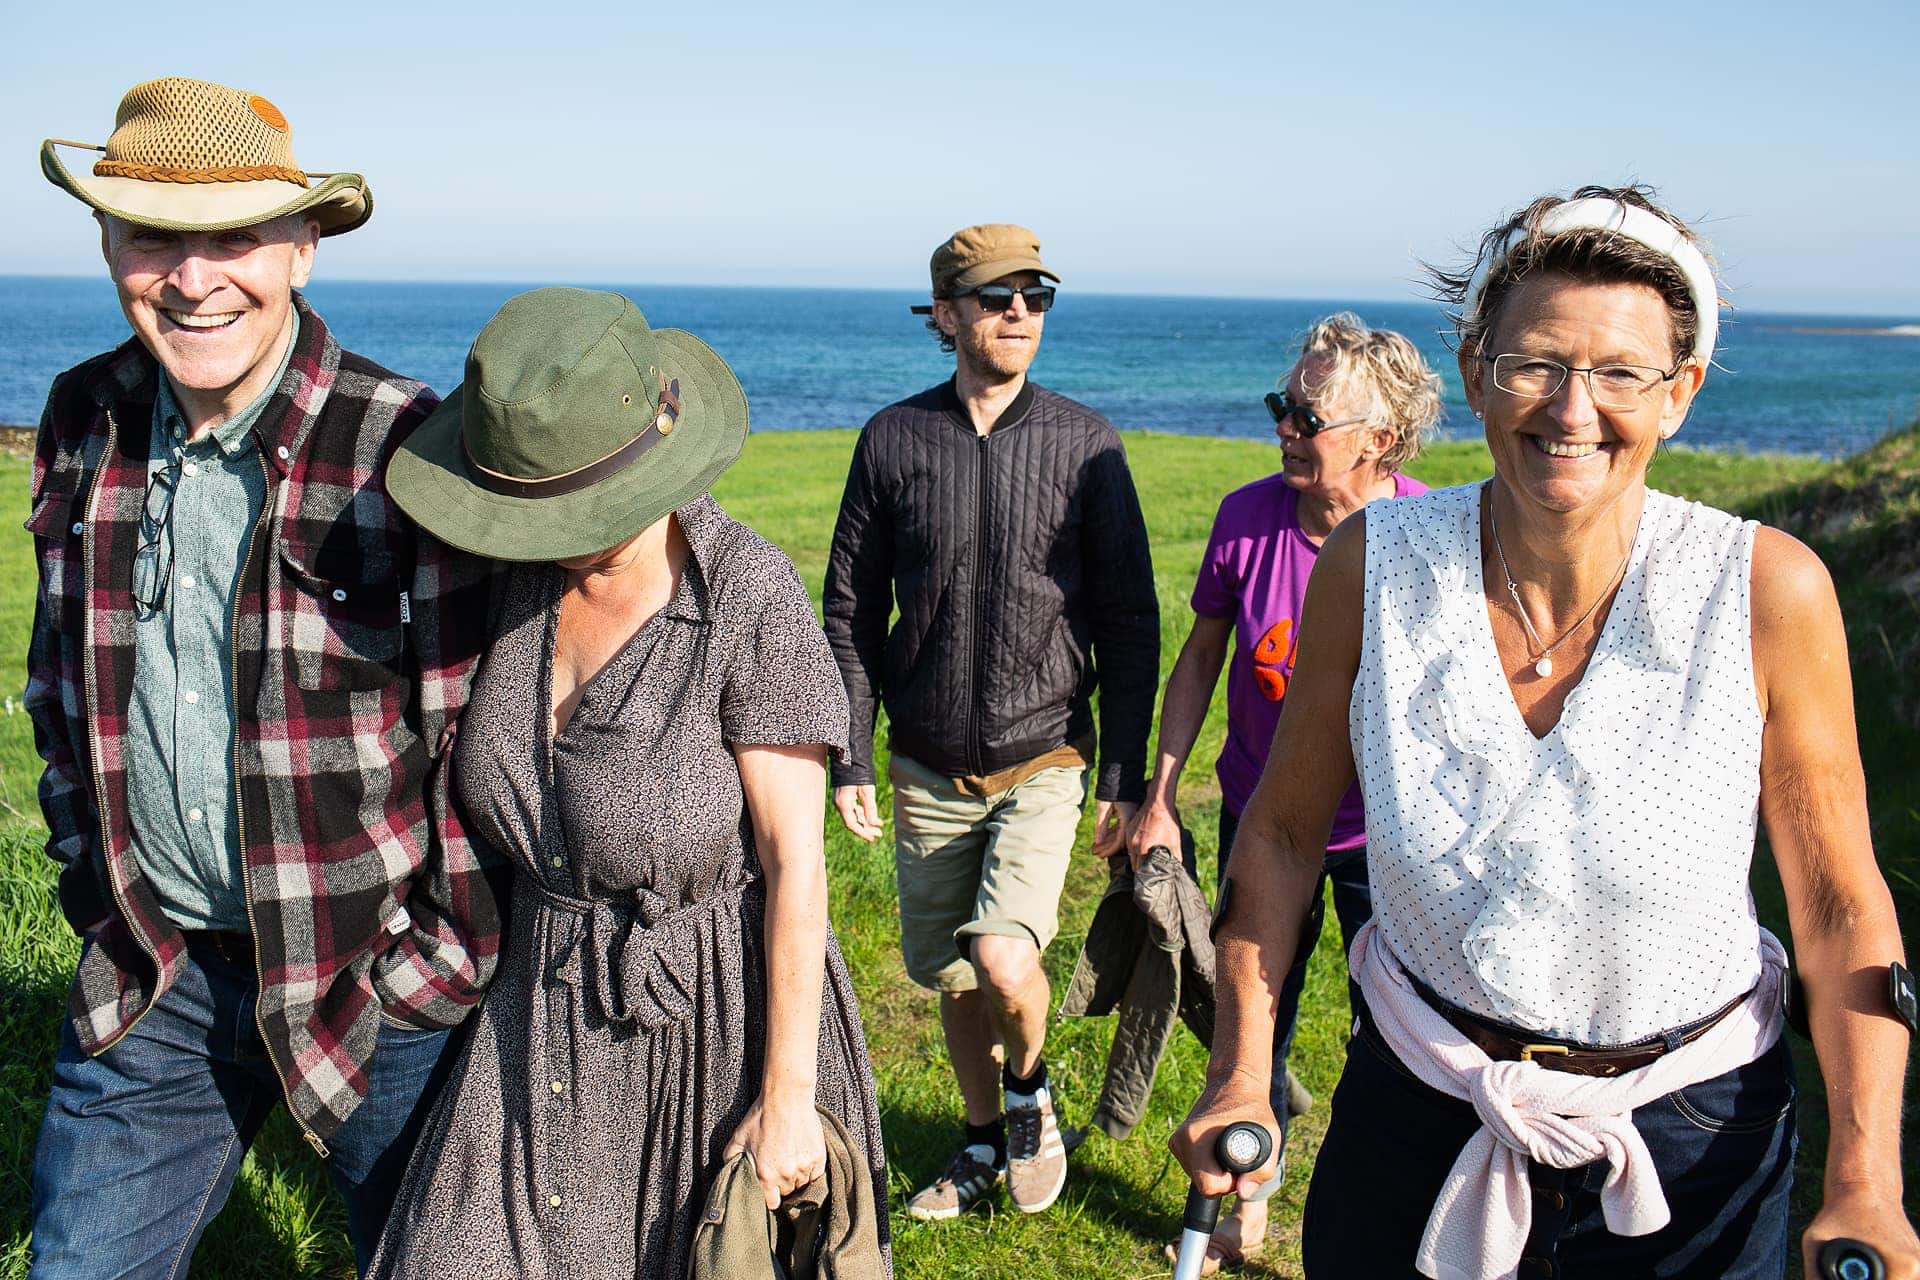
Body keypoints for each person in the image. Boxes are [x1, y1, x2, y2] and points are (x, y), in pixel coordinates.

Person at [1174, 186, 1918, 1279]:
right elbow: (1282, 837)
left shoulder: (1764, 589)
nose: (1573, 408)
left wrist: (1865, 1178)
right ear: (1477, 373)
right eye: (1535, 363)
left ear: (1682, 394)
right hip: (1419, 1104)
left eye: (1622, 373)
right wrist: (1242, 1068)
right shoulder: (1372, 567)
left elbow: (1842, 901)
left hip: (1691, 1133)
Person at [24, 77, 501, 1276]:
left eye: (233, 236)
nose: (192, 279)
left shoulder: (404, 440)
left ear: (302, 246)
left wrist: (430, 963)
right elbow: (59, 680)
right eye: (153, 237)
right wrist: (97, 883)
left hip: (372, 980)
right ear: (107, 246)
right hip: (158, 967)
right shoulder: (83, 415)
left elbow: (474, 739)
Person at [368, 287, 888, 1280]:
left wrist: (786, 1096)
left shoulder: (748, 601)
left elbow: (798, 869)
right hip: (531, 1014)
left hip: (714, 1029)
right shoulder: (511, 581)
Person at [823, 223, 1159, 1219]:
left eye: (1037, 295)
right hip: (924, 763)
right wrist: (853, 748)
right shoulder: (893, 438)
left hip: (1044, 755)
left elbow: (1131, 617)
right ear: (945, 312)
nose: (1020, 312)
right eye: (996, 294)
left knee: (1008, 956)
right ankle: (980, 1145)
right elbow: (848, 605)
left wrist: (1125, 774)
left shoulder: (1084, 441)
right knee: (959, 981)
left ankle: (1028, 1094)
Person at [1129, 312, 1439, 1272]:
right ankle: (1241, 1199)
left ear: (1380, 440)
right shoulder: (1246, 518)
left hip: (1390, 841)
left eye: (1307, 415)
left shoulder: (1433, 530)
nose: (1285, 428)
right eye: (1282, 406)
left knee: (1396, 1036)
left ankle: (1405, 1206)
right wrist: (1161, 794)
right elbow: (1200, 663)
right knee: (1247, 1022)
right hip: (1266, 827)